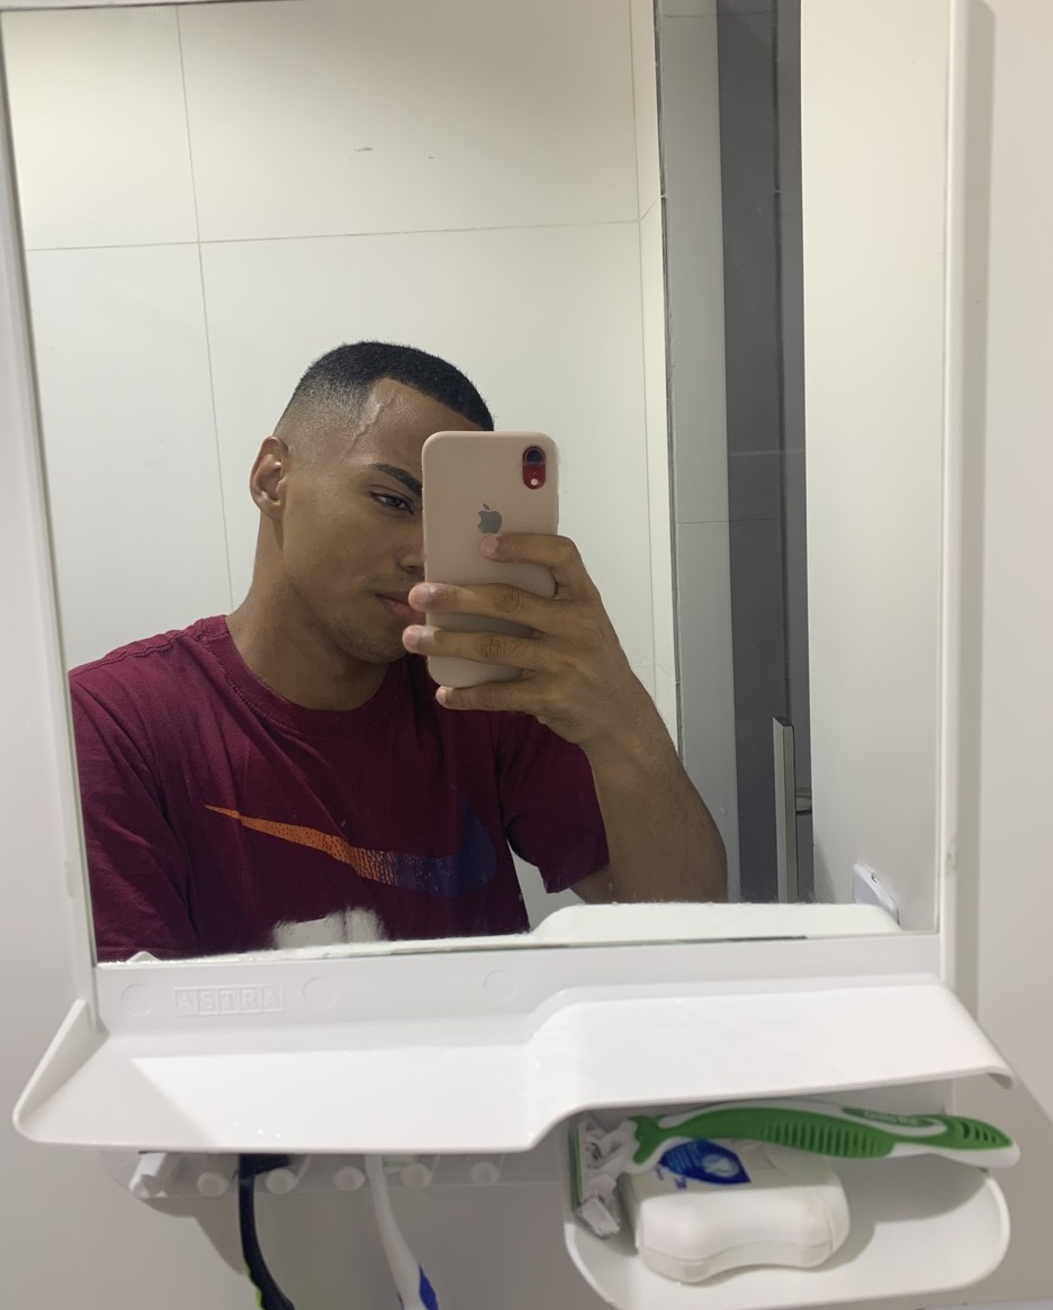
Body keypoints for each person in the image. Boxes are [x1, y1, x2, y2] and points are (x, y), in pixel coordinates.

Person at [72, 342, 726, 961]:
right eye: (392, 500)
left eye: (450, 523)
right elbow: (133, 1021)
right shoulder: (116, 723)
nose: (425, 556)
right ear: (273, 479)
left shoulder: (482, 693)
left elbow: (681, 928)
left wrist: (620, 716)